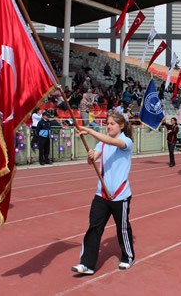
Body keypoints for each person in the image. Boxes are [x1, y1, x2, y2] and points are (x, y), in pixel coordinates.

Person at [72, 112, 135, 275]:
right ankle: (87, 263)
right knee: (94, 227)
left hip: (120, 195)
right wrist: (91, 156)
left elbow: (112, 141)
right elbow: (94, 157)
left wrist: (90, 131)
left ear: (121, 126)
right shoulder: (102, 144)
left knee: (122, 228)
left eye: (112, 123)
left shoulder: (126, 141)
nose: (108, 126)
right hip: (102, 194)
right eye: (107, 123)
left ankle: (128, 257)